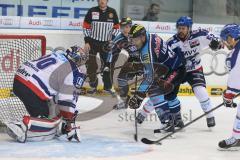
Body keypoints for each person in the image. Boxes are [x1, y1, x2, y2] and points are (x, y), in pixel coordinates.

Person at [5, 46, 88, 143]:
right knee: (49, 126)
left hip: (19, 79)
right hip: (31, 87)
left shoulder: (57, 55)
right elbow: (66, 101)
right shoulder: (71, 70)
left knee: (45, 113)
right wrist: (69, 120)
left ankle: (28, 124)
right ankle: (22, 125)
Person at [167, 16, 223, 128]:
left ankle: (210, 115)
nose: (181, 30)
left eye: (183, 28)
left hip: (195, 69)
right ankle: (176, 118)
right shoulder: (171, 43)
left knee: (200, 91)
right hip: (178, 71)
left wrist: (217, 45)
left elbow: (219, 42)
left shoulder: (200, 35)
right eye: (179, 28)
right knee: (167, 92)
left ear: (189, 28)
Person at [128, 24, 185, 131]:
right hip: (175, 68)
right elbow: (154, 61)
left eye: (135, 39)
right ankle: (177, 121)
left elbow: (150, 75)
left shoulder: (147, 53)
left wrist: (139, 96)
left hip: (174, 70)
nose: (134, 42)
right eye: (132, 39)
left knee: (155, 92)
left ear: (142, 37)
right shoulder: (150, 36)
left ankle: (167, 122)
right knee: (169, 96)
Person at [83, 0, 120, 96]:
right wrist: (87, 42)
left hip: (106, 44)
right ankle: (93, 86)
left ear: (107, 1)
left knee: (107, 66)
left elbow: (116, 28)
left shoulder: (112, 12)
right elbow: (86, 27)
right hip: (92, 43)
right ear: (98, 1)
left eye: (104, 0)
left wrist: (111, 40)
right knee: (91, 65)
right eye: (100, 0)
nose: (102, 1)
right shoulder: (91, 11)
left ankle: (107, 87)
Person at [106, 17, 143, 110]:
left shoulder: (136, 36)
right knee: (120, 80)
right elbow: (111, 52)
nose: (125, 29)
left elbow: (142, 50)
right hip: (127, 64)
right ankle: (125, 101)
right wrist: (107, 64)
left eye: (128, 27)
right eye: (123, 27)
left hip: (140, 62)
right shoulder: (118, 39)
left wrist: (140, 65)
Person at [218, 24, 240, 149]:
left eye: (226, 39)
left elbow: (236, 75)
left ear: (232, 38)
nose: (225, 43)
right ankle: (237, 137)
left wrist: (229, 94)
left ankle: (237, 138)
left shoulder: (236, 53)